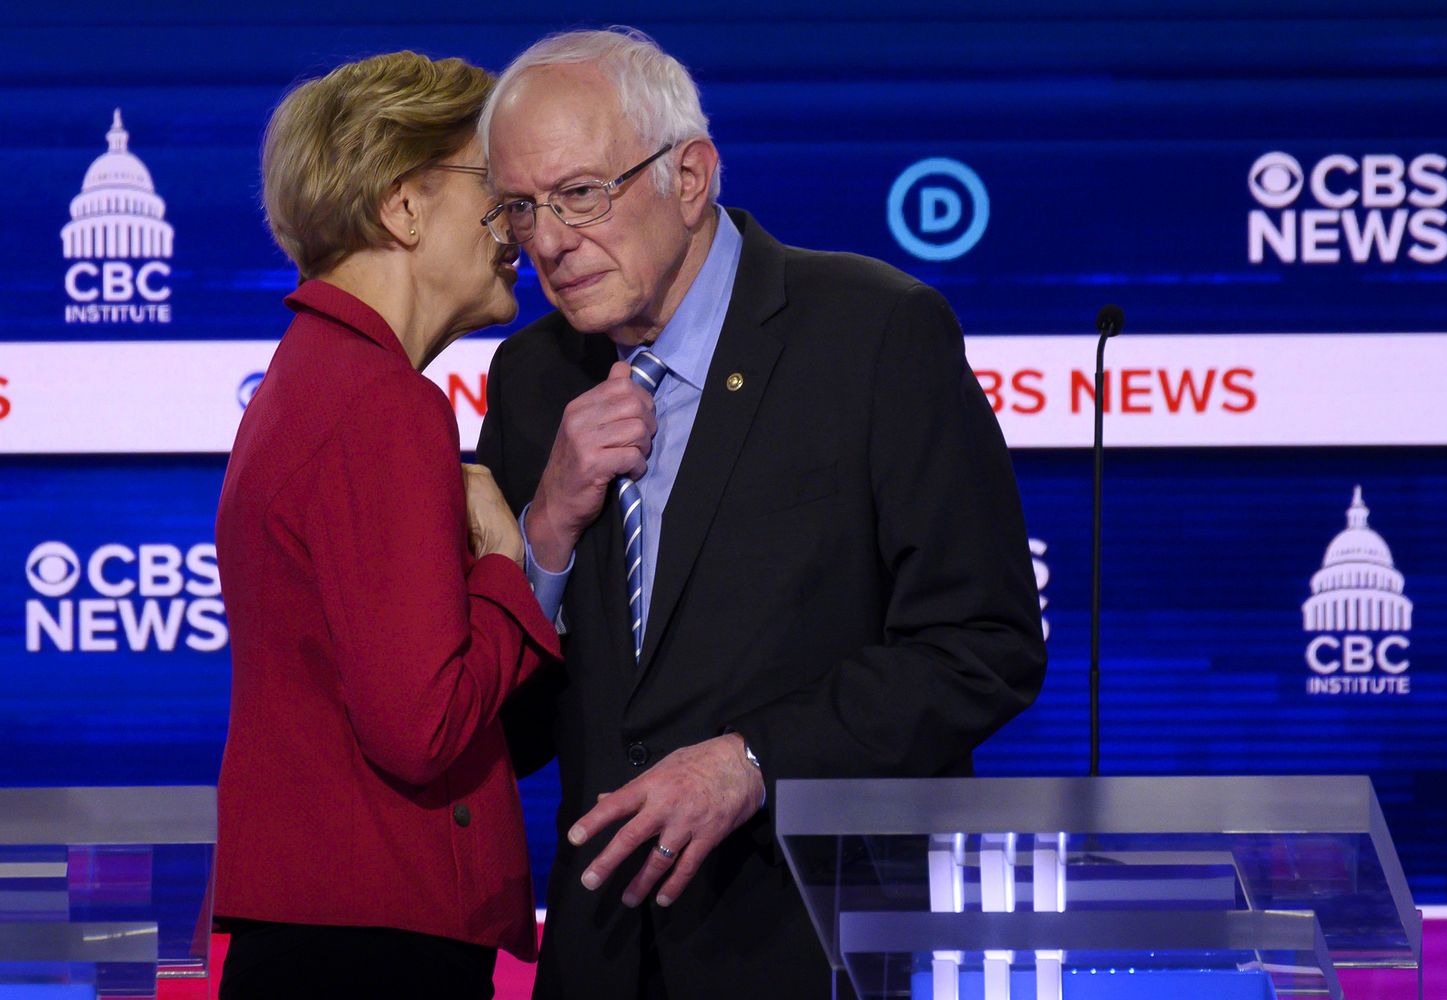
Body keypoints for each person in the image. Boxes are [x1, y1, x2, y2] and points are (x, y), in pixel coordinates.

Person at [476, 28, 1045, 999]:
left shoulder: (873, 333)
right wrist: (544, 538)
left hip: (814, 941)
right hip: (602, 956)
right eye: (522, 209)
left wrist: (752, 761)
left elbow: (982, 645)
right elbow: (515, 729)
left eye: (581, 193)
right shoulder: (532, 381)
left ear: (690, 176)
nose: (550, 242)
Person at [213, 51, 559, 999]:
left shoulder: (311, 377)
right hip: (374, 948)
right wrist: (509, 563)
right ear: (403, 207)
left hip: (324, 935)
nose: (519, 226)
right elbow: (424, 726)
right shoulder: (381, 402)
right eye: (495, 190)